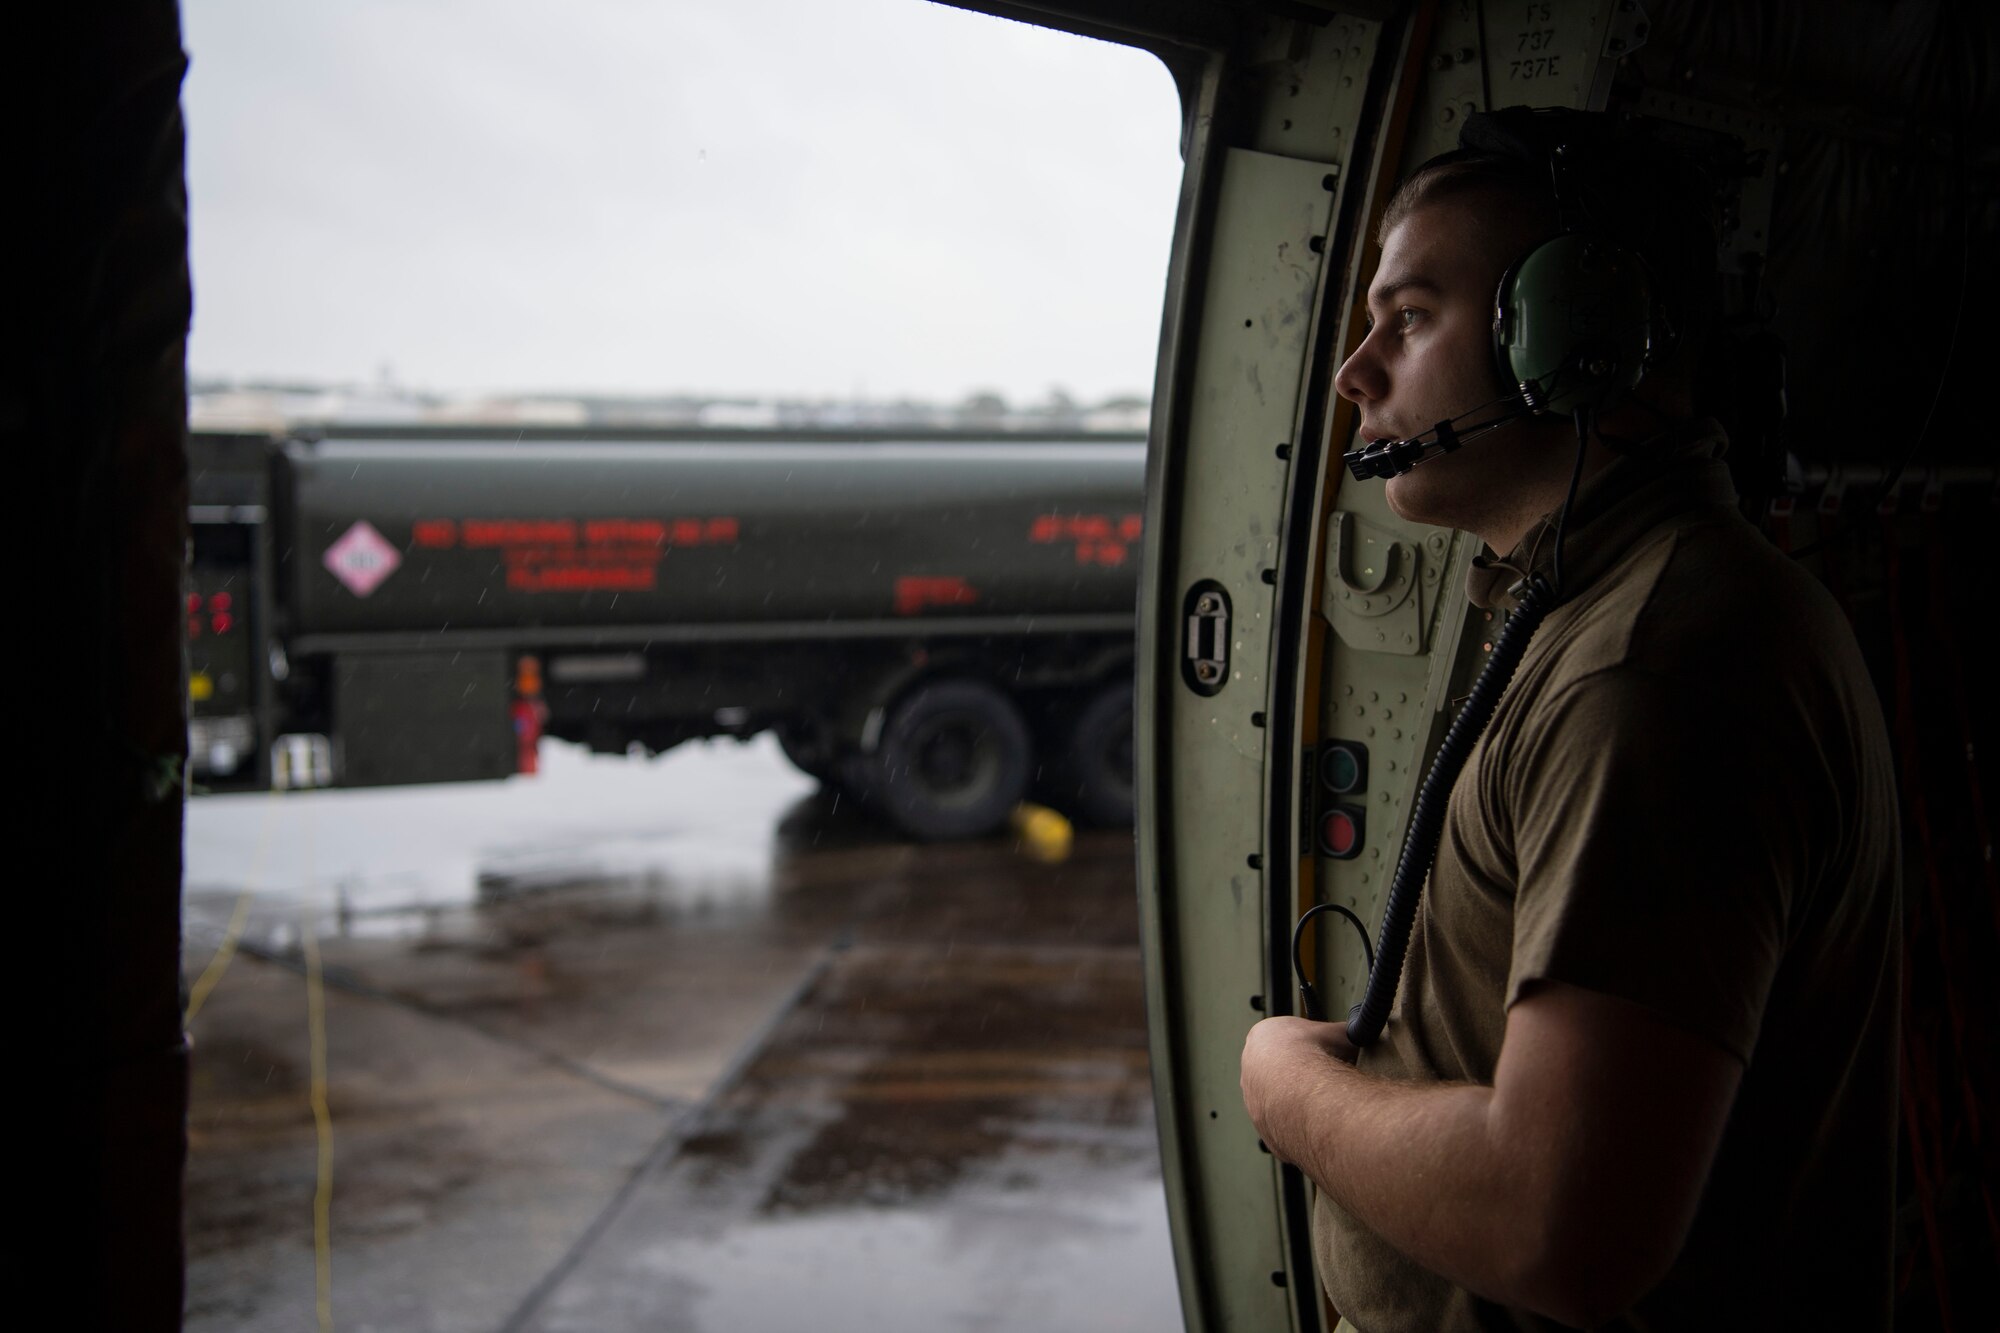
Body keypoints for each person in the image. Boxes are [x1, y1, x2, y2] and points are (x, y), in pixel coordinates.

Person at [1238, 108, 1900, 1331]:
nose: (1354, 373)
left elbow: (1558, 1229)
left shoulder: (1649, 669)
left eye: (1410, 316)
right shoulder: (1601, 609)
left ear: (1571, 342)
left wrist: (1288, 1087)